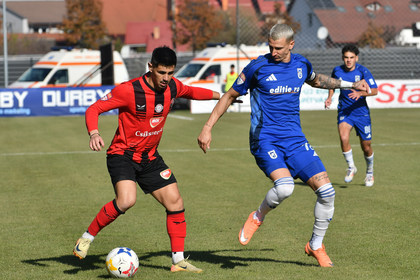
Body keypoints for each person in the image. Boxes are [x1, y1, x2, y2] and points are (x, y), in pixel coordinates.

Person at [197, 24, 371, 267]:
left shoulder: (301, 64)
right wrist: (207, 127)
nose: (273, 51)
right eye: (270, 46)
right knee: (286, 187)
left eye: (278, 47)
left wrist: (350, 85)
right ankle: (257, 216)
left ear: (291, 45)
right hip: (265, 139)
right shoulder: (257, 66)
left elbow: (317, 81)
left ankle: (316, 245)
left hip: (295, 140)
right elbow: (229, 95)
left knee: (327, 193)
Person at [73, 46, 220, 273]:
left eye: (170, 73)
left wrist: (224, 96)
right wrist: (94, 133)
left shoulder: (172, 86)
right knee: (126, 200)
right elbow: (94, 109)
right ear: (150, 67)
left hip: (150, 157)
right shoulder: (128, 90)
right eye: (162, 72)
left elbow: (191, 92)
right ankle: (86, 237)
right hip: (122, 154)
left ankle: (178, 261)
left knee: (175, 202)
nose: (166, 78)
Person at [325, 44, 378, 187]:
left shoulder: (363, 71)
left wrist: (360, 93)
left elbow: (374, 90)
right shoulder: (337, 70)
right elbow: (332, 85)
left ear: (356, 58)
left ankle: (370, 172)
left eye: (351, 58)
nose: (349, 60)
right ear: (343, 58)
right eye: (346, 58)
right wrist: (330, 97)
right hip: (345, 111)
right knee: (343, 137)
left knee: (366, 146)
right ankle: (351, 167)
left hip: (361, 113)